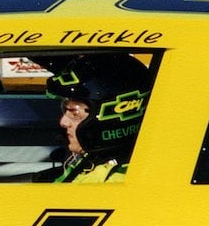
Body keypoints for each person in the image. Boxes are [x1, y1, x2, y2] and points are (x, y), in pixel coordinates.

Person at [45, 53, 152, 183]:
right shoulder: (91, 162)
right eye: (65, 109)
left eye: (75, 113)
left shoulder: (114, 182)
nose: (63, 122)